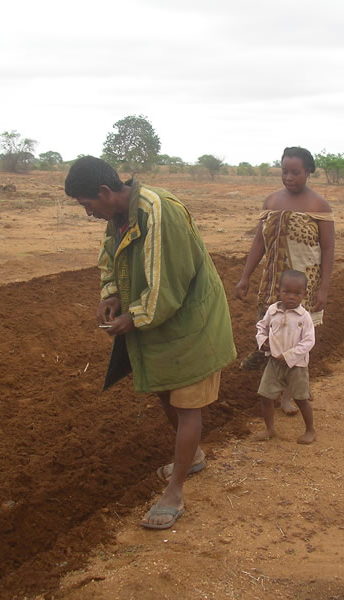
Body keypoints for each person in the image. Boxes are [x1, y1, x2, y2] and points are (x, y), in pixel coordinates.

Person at [65, 156, 236, 530]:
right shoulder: (118, 216)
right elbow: (110, 257)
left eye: (87, 204)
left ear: (105, 192)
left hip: (192, 318)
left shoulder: (158, 212)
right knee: (164, 389)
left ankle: (174, 493)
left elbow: (167, 282)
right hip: (160, 318)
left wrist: (134, 317)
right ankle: (191, 458)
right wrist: (111, 294)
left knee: (188, 404)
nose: (88, 213)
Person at [235, 146, 334, 416]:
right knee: (273, 335)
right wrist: (245, 277)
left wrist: (323, 287)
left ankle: (289, 395)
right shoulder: (270, 201)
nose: (289, 177)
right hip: (272, 284)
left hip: (304, 286)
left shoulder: (319, 205)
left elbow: (327, 248)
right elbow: (259, 241)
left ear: (308, 172)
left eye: (295, 172)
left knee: (296, 338)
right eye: (284, 171)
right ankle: (271, 388)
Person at [254, 270, 316, 444]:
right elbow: (261, 327)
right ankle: (269, 429)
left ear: (304, 295)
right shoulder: (272, 311)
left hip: (297, 365)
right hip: (274, 363)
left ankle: (310, 430)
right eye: (286, 292)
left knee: (301, 399)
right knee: (265, 396)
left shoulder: (304, 317)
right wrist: (263, 341)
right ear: (278, 290)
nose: (291, 297)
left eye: (297, 293)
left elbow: (308, 342)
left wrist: (289, 356)